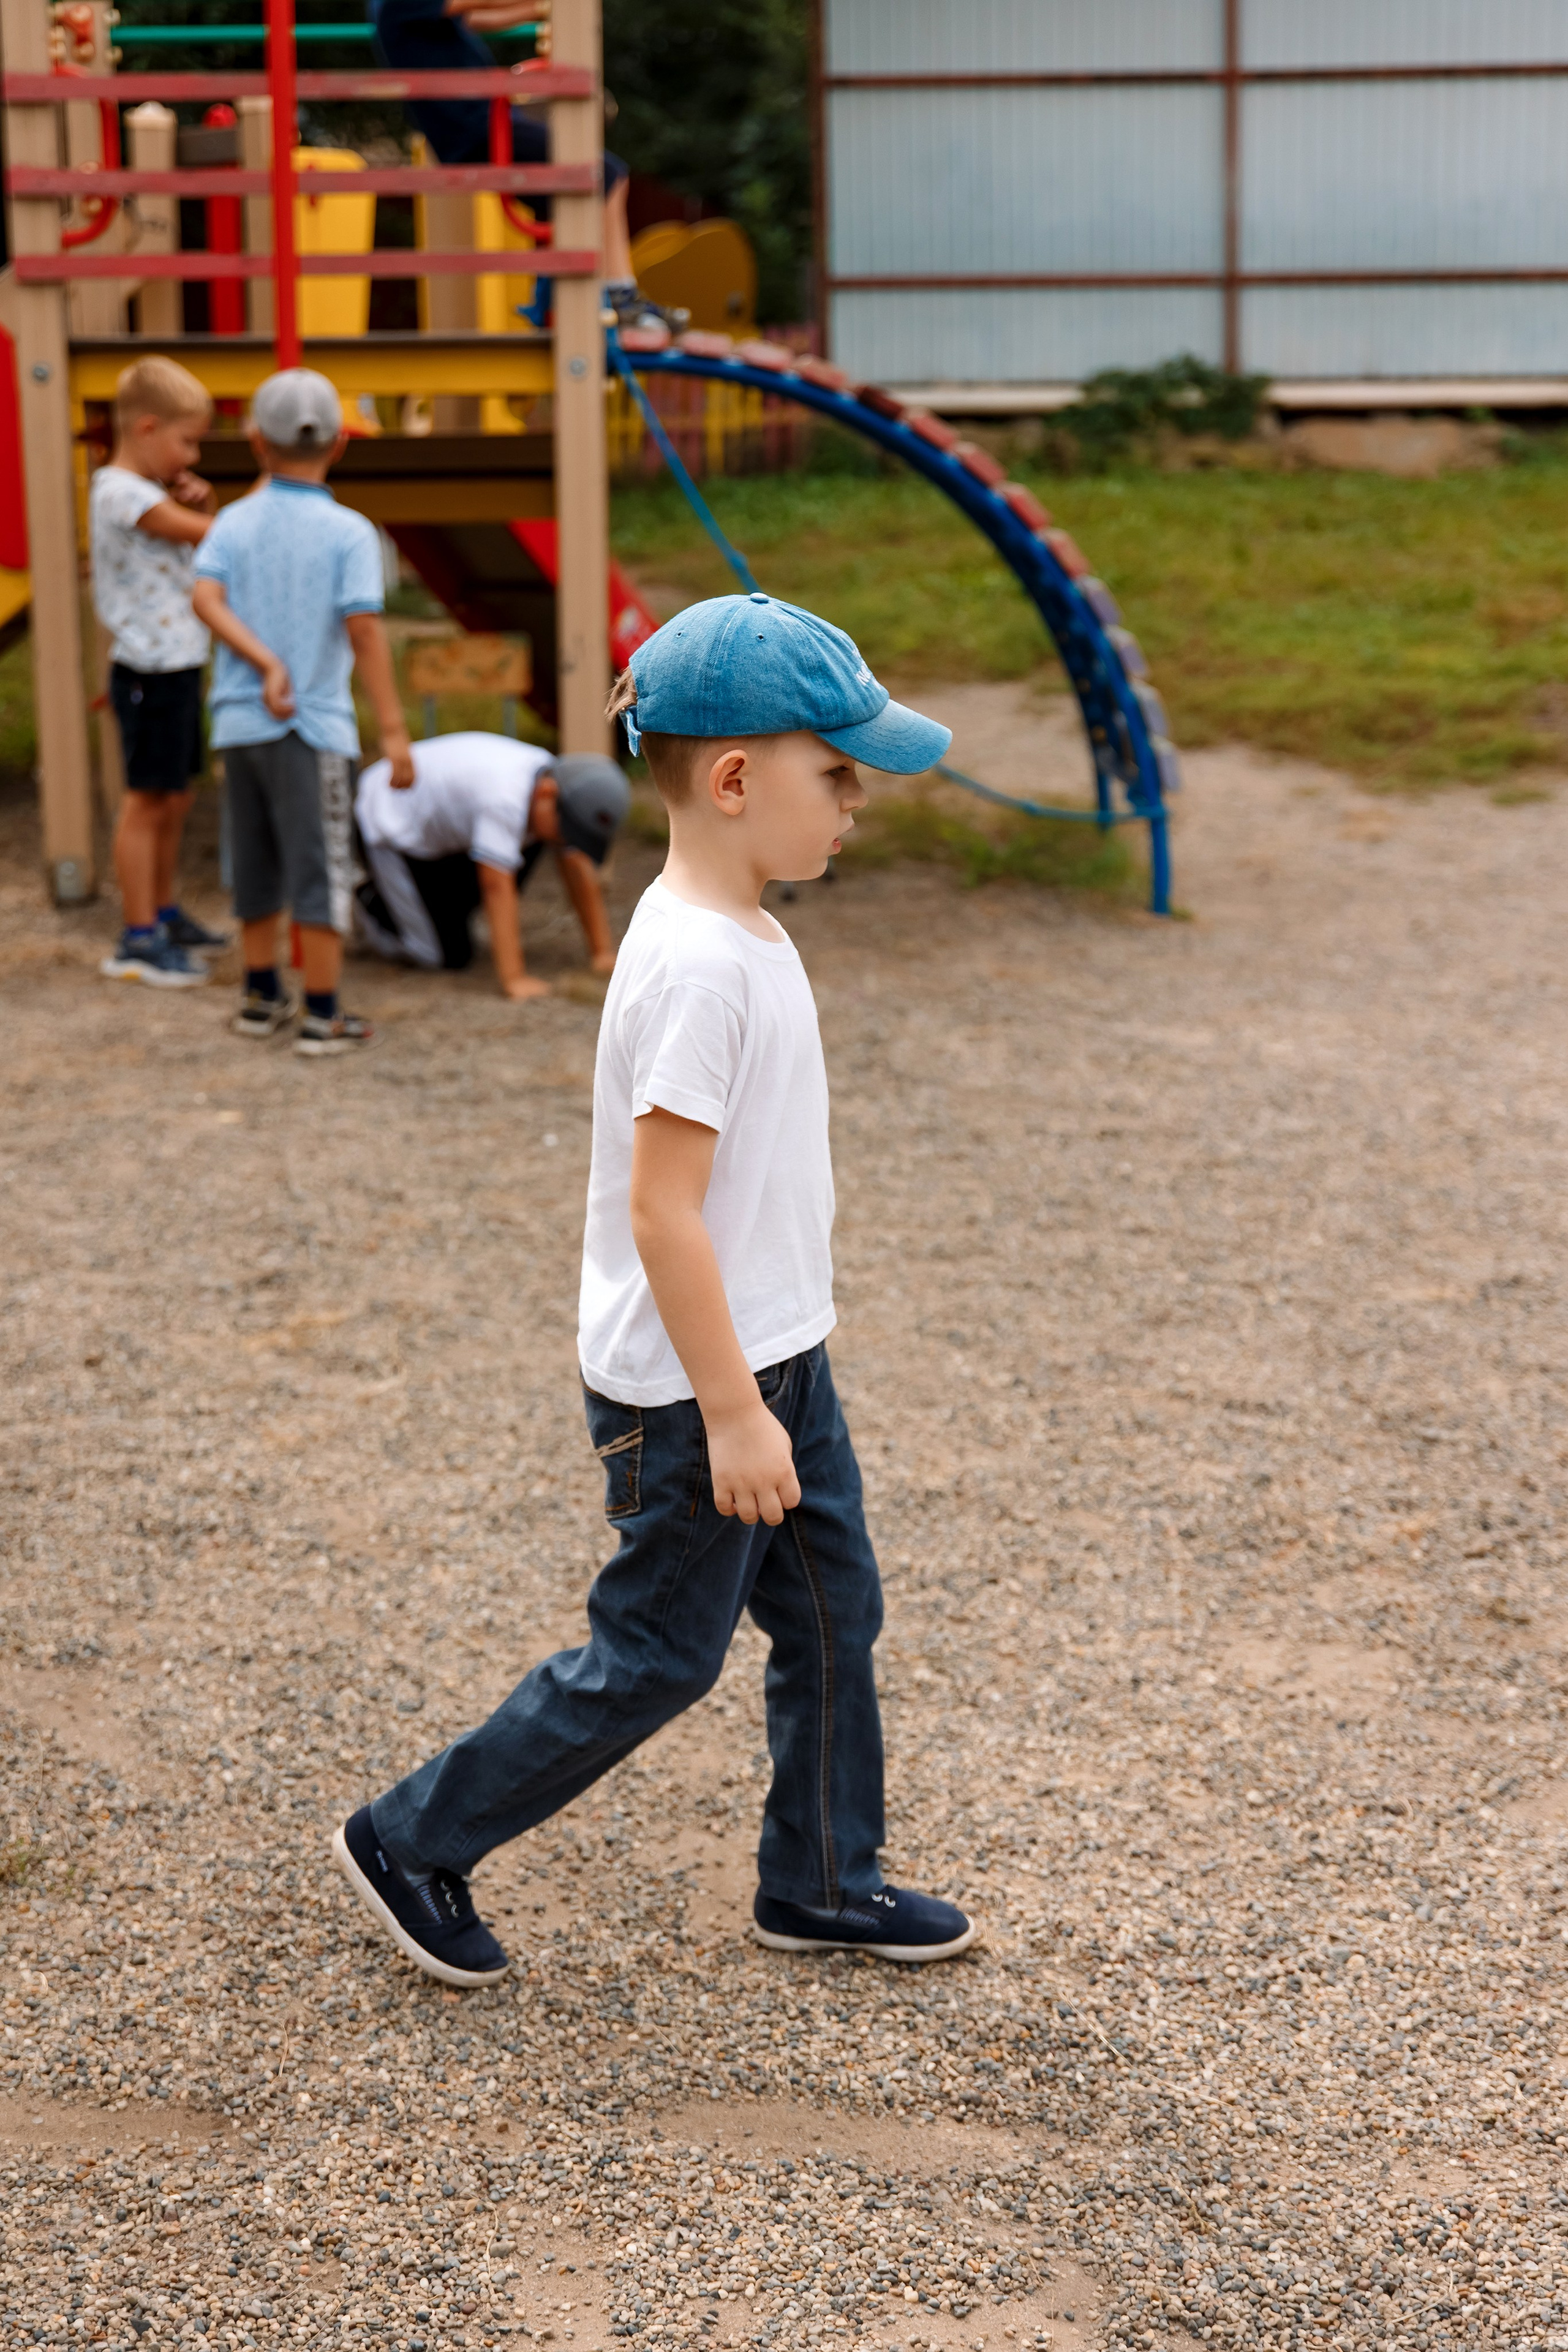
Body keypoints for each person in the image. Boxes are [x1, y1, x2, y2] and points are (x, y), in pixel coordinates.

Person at [334, 591, 976, 1986]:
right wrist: (737, 1413)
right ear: (736, 780)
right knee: (654, 1656)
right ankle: (409, 1836)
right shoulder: (694, 963)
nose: (855, 803)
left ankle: (818, 1876)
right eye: (837, 771)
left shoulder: (732, 918)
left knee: (827, 1614)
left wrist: (776, 1382)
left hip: (777, 1363)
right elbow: (662, 1210)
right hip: (705, 1394)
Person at [190, 369, 415, 1058]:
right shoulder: (351, 533)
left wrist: (260, 662)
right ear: (341, 444)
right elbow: (365, 632)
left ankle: (261, 997)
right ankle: (323, 1014)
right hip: (313, 728)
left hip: (238, 724)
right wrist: (395, 730)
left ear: (257, 444)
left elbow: (204, 597)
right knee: (321, 865)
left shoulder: (232, 521)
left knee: (253, 861)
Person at [369, 0, 678, 334]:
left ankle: (557, 300)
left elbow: (477, 18)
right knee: (604, 174)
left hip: (481, 126)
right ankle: (619, 295)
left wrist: (540, 8)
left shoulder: (413, 12)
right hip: (478, 128)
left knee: (567, 201)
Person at [92, 356, 230, 988]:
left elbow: (199, 534)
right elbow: (212, 537)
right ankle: (137, 936)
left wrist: (205, 498)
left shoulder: (149, 491)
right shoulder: (122, 492)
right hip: (148, 669)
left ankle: (165, 911)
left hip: (177, 665)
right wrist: (256, 509)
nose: (190, 454)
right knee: (146, 800)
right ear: (147, 428)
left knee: (175, 794)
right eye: (187, 440)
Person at [353, 731, 629, 997]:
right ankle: (371, 905)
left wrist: (602, 953)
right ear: (547, 793)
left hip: (446, 836)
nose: (568, 839)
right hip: (387, 823)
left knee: (533, 840)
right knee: (442, 956)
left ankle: (436, 910)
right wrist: (514, 978)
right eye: (569, 830)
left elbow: (576, 866)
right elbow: (496, 886)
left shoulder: (549, 780)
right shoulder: (505, 798)